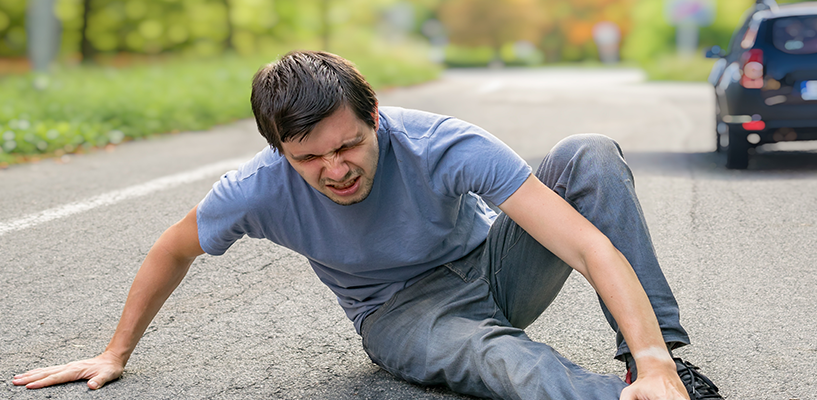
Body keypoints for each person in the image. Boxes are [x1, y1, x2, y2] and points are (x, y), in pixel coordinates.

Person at [11, 50, 723, 400]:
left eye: (348, 145)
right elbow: (171, 250)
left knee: (587, 155)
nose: (335, 169)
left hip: (493, 267)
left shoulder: (444, 143)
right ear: (279, 150)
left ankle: (658, 371)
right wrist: (115, 352)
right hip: (401, 313)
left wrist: (652, 351)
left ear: (376, 116)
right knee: (508, 364)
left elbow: (584, 242)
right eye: (309, 158)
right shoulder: (256, 190)